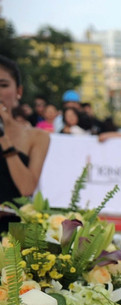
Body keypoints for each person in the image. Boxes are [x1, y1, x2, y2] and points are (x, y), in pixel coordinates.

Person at [0, 55, 50, 234]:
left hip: (15, 230)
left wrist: (4, 137)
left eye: (3, 85)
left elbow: (27, 188)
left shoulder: (37, 137)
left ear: (18, 91)